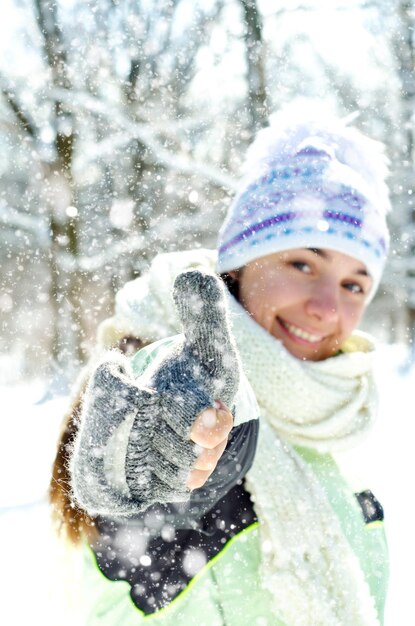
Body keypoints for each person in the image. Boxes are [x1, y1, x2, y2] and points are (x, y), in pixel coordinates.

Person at [49, 105, 391, 626]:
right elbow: (121, 574)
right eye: (302, 263)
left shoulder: (339, 421)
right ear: (237, 264)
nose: (327, 308)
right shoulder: (158, 374)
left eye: (354, 284)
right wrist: (167, 483)